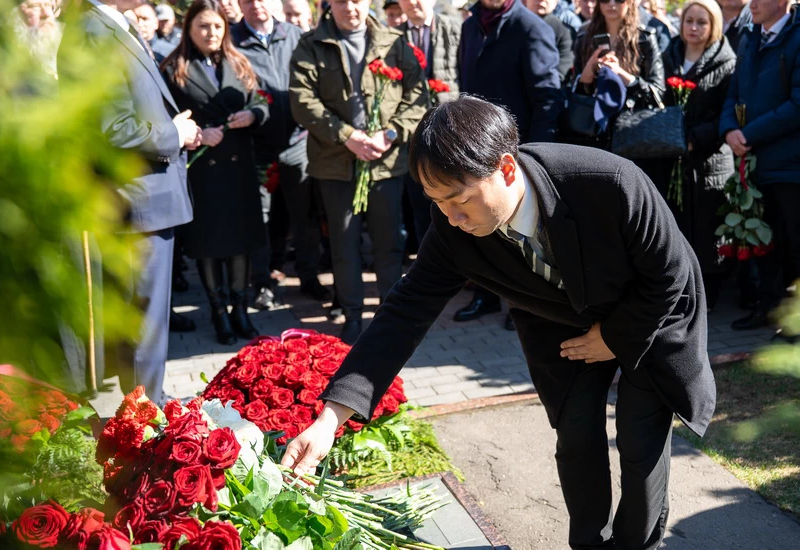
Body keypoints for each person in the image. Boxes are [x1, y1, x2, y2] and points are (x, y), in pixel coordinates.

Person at [282, 96, 716, 550]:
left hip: (649, 312)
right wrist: (330, 419)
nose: (452, 218)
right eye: (437, 202)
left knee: (639, 439)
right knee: (575, 435)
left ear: (506, 168)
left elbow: (671, 273)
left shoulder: (608, 181)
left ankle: (636, 544)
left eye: (460, 200)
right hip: (560, 322)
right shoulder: (452, 227)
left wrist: (613, 336)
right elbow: (404, 312)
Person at [71, 0, 203, 404]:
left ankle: (140, 407)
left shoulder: (113, 24)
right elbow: (114, 127)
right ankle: (146, 415)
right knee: (144, 322)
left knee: (144, 319)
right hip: (137, 197)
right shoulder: (94, 30)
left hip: (146, 195)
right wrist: (174, 135)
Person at [289, 0, 427, 344]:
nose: (350, 8)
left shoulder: (394, 42)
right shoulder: (311, 44)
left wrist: (390, 133)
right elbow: (303, 100)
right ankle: (352, 315)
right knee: (344, 243)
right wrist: (347, 136)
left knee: (389, 243)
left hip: (384, 161)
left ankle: (390, 316)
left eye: (357, 0)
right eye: (341, 1)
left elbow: (417, 97)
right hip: (335, 163)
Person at [162, 0, 270, 345]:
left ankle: (240, 309)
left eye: (218, 26)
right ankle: (218, 311)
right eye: (203, 26)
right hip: (202, 171)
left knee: (240, 242)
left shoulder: (238, 61)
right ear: (189, 29)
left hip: (239, 169)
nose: (211, 33)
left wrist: (253, 115)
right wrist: (197, 134)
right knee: (209, 245)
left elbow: (260, 100)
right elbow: (164, 120)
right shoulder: (174, 69)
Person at [455, 0, 563, 327]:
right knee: (483, 226)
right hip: (476, 149)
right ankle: (486, 296)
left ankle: (527, 305)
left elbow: (548, 98)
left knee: (521, 230)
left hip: (519, 152)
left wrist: (535, 156)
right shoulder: (470, 26)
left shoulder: (531, 27)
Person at [233, 0, 333, 303]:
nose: (255, 5)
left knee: (304, 215)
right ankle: (261, 282)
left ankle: (308, 275)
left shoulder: (294, 35)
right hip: (256, 144)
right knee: (259, 218)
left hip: (297, 141)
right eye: (247, 0)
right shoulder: (231, 40)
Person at [720, 0, 800, 332]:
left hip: (790, 166)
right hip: (755, 163)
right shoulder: (750, 36)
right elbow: (733, 92)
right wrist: (728, 129)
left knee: (794, 244)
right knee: (764, 242)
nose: (750, 4)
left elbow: (797, 104)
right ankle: (767, 309)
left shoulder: (796, 37)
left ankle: (794, 323)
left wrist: (748, 134)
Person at [661, 0, 736, 310]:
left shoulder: (726, 62)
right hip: (675, 158)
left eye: (701, 22)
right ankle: (680, 290)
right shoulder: (669, 54)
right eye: (689, 20)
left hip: (708, 161)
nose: (693, 27)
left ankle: (708, 297)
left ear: (713, 25)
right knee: (677, 228)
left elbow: (727, 111)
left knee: (706, 232)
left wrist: (695, 139)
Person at [396, 0, 461, 242]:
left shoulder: (455, 28)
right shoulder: (392, 36)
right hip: (412, 134)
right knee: (421, 202)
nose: (412, 2)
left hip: (452, 131)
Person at [572, 0, 665, 147]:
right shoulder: (584, 38)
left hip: (632, 130)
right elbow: (575, 92)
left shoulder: (645, 38)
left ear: (630, 3)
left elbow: (657, 92)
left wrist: (622, 74)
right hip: (591, 131)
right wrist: (589, 71)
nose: (611, 4)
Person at [525, 0, 575, 83]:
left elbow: (564, 65)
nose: (541, 1)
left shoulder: (565, 31)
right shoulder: (511, 25)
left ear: (555, 2)